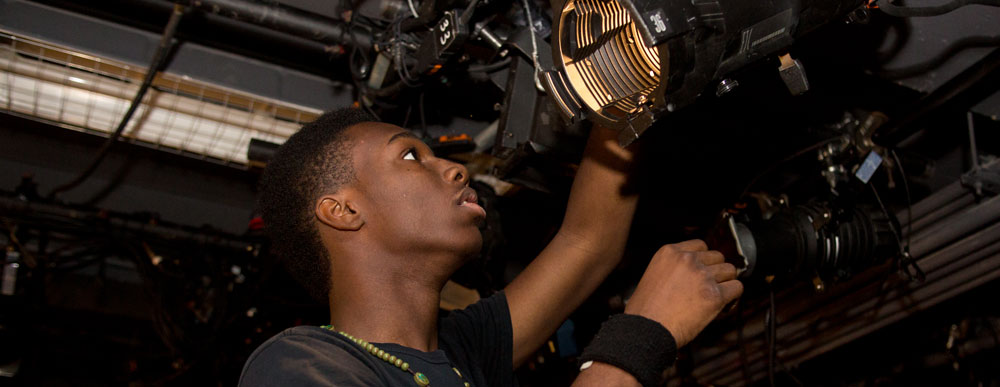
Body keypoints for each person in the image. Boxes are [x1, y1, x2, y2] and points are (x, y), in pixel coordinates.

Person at [239, 108, 743, 386]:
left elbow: (588, 241)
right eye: (411, 155)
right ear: (344, 211)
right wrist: (640, 335)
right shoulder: (294, 367)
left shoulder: (462, 350)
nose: (454, 168)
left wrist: (624, 85)